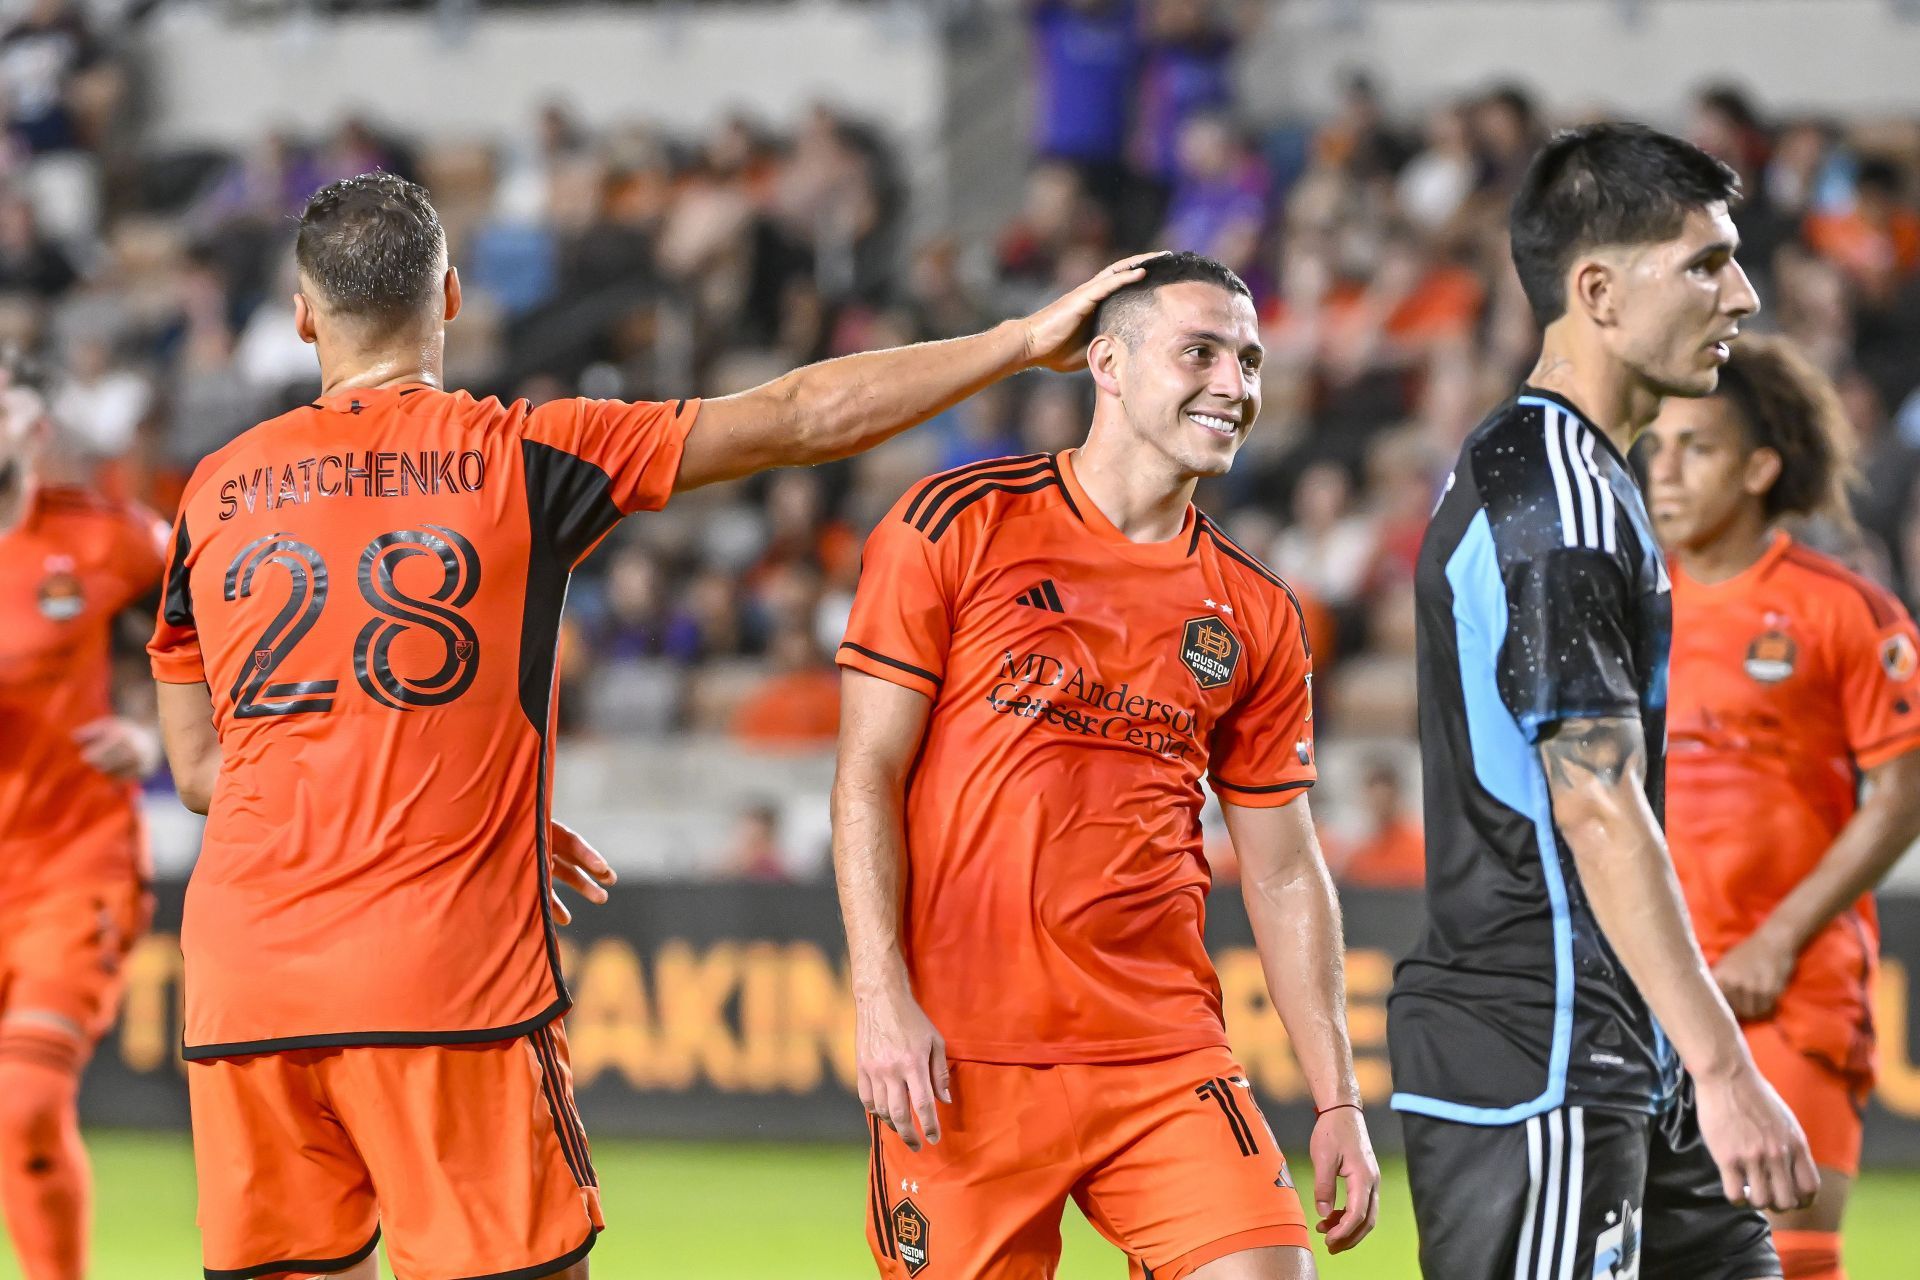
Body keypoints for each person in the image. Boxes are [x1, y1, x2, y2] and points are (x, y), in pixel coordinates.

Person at [146, 172, 1154, 1280]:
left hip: (246, 978)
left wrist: (452, 797)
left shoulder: (214, 490)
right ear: (451, 298)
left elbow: (205, 769)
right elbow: (796, 417)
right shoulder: (522, 453)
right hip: (443, 980)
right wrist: (1016, 340)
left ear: (300, 312)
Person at [833, 251, 1378, 1280]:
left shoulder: (1257, 608)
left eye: (1251, 360)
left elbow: (1285, 867)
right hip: (965, 1049)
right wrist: (879, 994)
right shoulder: (957, 522)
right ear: (1109, 364)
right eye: (1201, 352)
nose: (1235, 383)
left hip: (1162, 1047)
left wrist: (1337, 1095)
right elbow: (867, 773)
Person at [1386, 122, 1818, 1280]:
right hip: (1546, 1052)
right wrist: (1729, 1072)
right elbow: (1597, 805)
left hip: (1618, 1046)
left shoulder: (1558, 472)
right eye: (1704, 262)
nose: (1743, 292)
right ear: (1597, 290)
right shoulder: (1561, 510)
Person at [1644, 335, 1920, 1280]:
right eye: (1658, 446)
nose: (1665, 471)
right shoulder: (1634, 608)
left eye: (1697, 448)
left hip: (1787, 985)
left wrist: (1779, 937)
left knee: (1785, 1258)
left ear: (1761, 467)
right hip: (1647, 987)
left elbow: (1906, 789)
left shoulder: (1843, 610)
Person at [0, 369, 165, 1280]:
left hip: (72, 862)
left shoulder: (106, 539)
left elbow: (237, 620)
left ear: (32, 423)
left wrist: (159, 738)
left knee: (23, 1099)